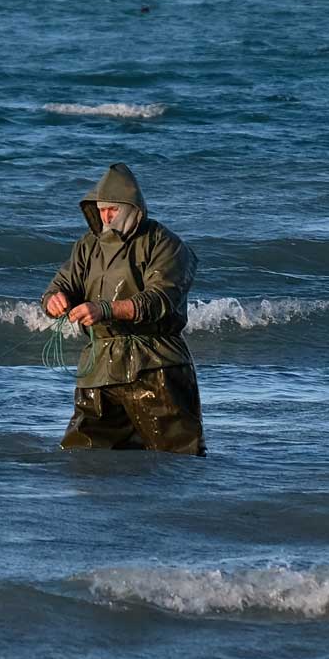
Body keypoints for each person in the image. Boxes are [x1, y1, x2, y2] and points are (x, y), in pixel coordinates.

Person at [41, 163, 206, 455]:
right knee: (83, 459)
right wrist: (54, 299)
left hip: (155, 368)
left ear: (132, 207)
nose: (105, 216)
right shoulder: (87, 246)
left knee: (177, 459)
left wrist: (106, 309)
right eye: (101, 209)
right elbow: (62, 284)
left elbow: (161, 299)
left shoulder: (165, 244)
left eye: (112, 209)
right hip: (98, 370)